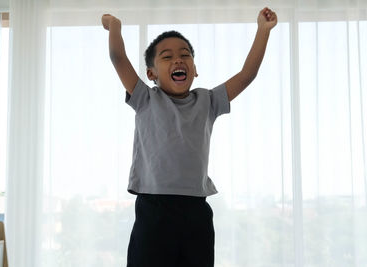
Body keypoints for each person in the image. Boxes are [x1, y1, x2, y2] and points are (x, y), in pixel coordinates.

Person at [102, 7, 277, 267]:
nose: (178, 60)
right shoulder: (145, 98)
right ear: (151, 74)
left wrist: (263, 31)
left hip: (196, 209)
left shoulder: (207, 101)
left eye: (185, 55)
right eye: (167, 57)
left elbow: (246, 75)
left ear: (195, 70)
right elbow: (118, 57)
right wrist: (114, 26)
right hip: (154, 208)